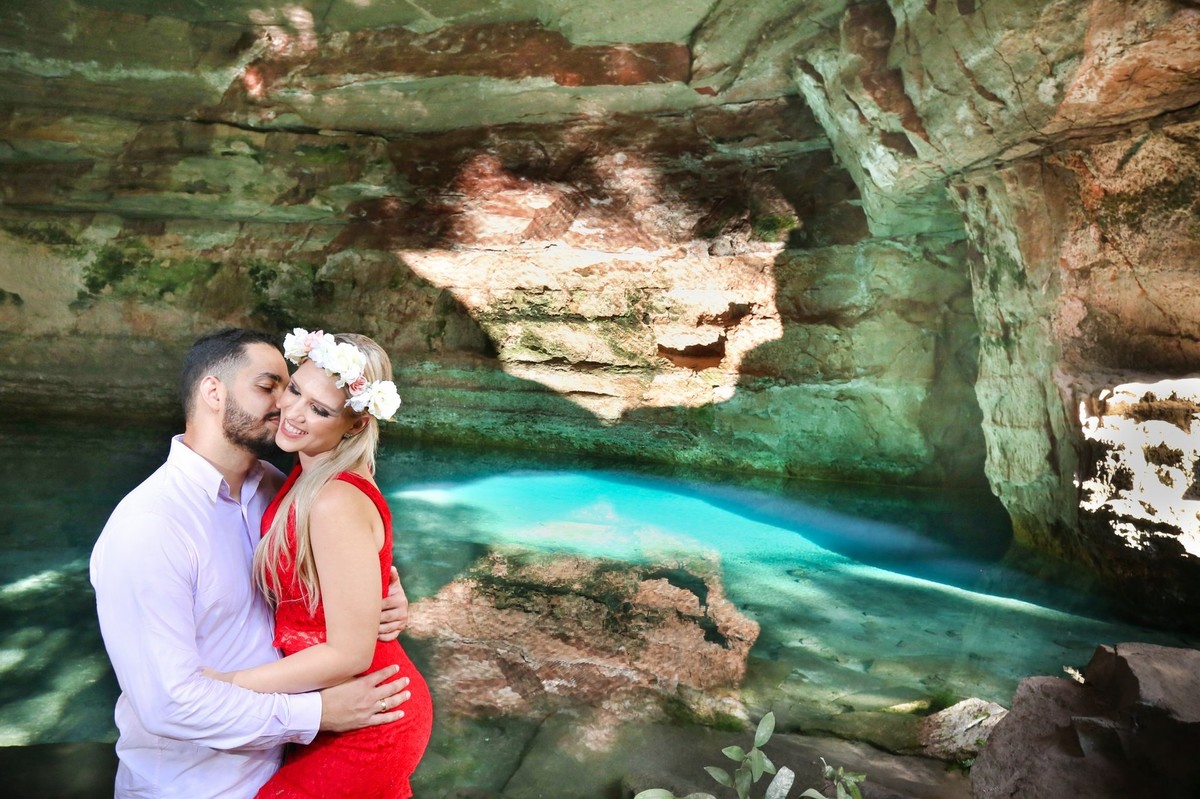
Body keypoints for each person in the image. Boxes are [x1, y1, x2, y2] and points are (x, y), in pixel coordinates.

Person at [91, 328, 412, 799]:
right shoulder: (151, 525)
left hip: (289, 761)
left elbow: (333, 582)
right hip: (193, 786)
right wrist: (317, 714)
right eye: (270, 387)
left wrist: (389, 595)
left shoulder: (277, 490)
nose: (286, 403)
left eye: (292, 386)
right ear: (213, 392)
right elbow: (167, 704)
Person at [205, 329, 433, 799]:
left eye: (320, 410)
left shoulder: (333, 500)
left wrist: (229, 686)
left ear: (353, 426)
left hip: (369, 715)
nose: (292, 412)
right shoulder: (307, 478)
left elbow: (350, 654)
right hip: (331, 702)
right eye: (295, 390)